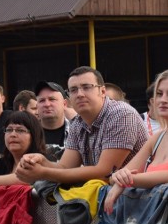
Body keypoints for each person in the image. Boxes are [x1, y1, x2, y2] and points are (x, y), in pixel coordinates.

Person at [15, 67, 148, 185]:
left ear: (102, 92)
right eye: (73, 90)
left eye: (86, 87)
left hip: (140, 199)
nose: (79, 94)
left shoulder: (121, 114)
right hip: (109, 198)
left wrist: (43, 173)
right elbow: (65, 168)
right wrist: (42, 162)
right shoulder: (78, 123)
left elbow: (104, 173)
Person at [103, 68, 168, 214]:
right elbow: (122, 174)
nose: (163, 100)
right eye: (159, 94)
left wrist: (125, 181)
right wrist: (118, 177)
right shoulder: (158, 137)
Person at [34, 81, 71, 159]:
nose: (47, 104)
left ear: (64, 104)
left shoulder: (78, 132)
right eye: (42, 100)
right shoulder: (28, 133)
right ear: (37, 106)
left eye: (52, 99)